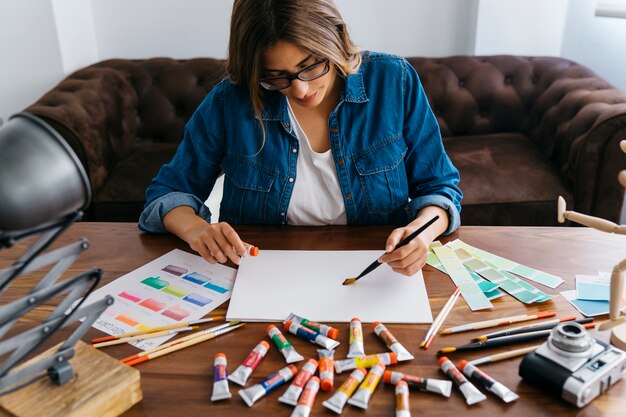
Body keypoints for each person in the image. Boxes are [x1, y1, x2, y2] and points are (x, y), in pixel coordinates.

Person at [139, 0, 462, 277]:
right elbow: (167, 194)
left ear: (335, 40)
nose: (301, 90)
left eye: (311, 66)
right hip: (259, 276)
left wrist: (423, 233)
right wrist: (197, 230)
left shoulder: (393, 81)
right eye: (275, 77)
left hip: (375, 274)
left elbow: (439, 188)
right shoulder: (230, 102)